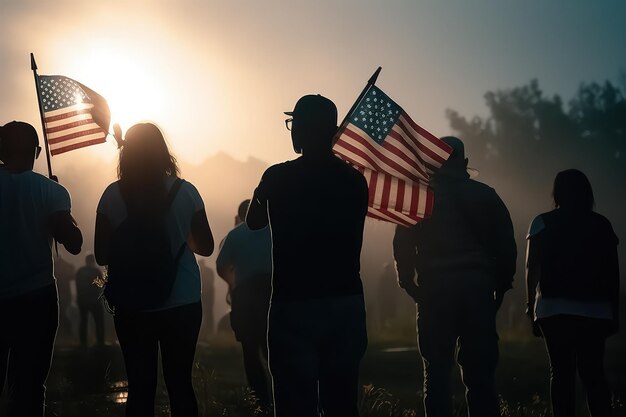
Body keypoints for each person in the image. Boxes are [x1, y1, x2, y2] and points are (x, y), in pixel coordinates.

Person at [247, 94, 369, 417]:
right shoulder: (355, 181)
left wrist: (262, 193)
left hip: (293, 304)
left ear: (300, 130)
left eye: (293, 124)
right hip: (345, 301)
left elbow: (253, 222)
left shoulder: (277, 177)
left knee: (293, 405)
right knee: (341, 404)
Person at [94, 122, 214, 417]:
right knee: (180, 385)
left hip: (132, 304)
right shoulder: (186, 193)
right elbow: (206, 246)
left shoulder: (112, 196)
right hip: (182, 301)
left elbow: (101, 253)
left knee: (140, 387)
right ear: (163, 152)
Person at [393, 136, 516, 417]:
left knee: (435, 373)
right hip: (477, 287)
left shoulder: (420, 198)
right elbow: (506, 244)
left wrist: (407, 282)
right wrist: (501, 285)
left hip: (434, 289)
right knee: (480, 376)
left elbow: (402, 243)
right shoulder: (487, 195)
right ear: (465, 162)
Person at [0, 121, 83, 416]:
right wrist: (59, 209)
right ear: (37, 152)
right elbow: (74, 243)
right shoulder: (50, 191)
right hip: (37, 298)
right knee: (31, 387)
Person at [526, 169, 619, 417]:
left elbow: (531, 267)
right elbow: (613, 272)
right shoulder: (601, 224)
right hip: (596, 310)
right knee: (593, 373)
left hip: (553, 309)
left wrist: (530, 306)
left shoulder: (542, 222)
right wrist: (615, 311)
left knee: (561, 373)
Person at [216, 199, 272, 405]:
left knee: (250, 351)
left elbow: (221, 265)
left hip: (244, 297)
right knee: (271, 348)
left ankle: (261, 399)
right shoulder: (273, 231)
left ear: (239, 216)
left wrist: (233, 284)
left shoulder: (235, 234)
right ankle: (281, 395)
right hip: (270, 294)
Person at [74, 254, 105, 347]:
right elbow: (100, 285)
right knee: (99, 321)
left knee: (83, 321)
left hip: (82, 300)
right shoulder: (95, 271)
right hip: (94, 300)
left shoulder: (80, 271)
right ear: (93, 261)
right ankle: (100, 342)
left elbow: (77, 285)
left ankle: (83, 343)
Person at [198, 260, 215, 341]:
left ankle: (206, 332)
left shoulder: (202, 270)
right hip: (209, 294)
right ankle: (208, 332)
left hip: (205, 294)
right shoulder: (209, 271)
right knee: (209, 313)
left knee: (206, 313)